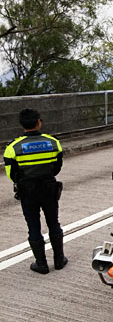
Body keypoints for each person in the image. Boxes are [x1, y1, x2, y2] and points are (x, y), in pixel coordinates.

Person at [4, 109, 67, 274]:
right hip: (49, 188)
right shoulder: (53, 142)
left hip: (28, 191)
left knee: (33, 226)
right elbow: (57, 167)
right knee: (54, 223)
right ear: (39, 122)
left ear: (22, 124)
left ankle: (41, 264)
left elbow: (12, 174)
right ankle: (59, 260)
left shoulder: (13, 147)